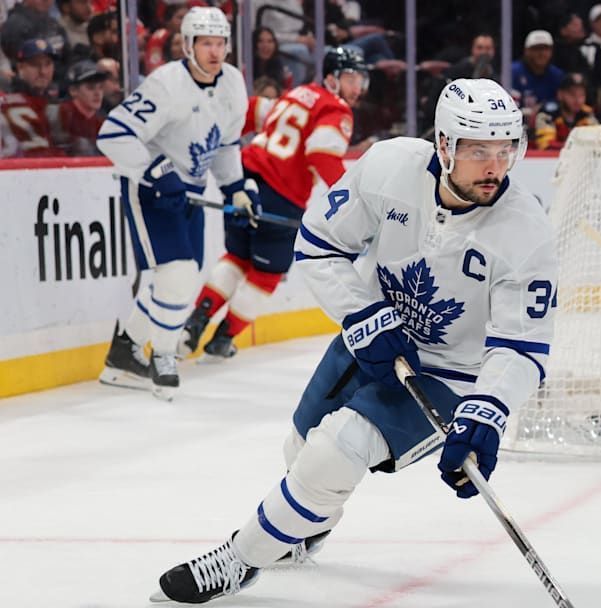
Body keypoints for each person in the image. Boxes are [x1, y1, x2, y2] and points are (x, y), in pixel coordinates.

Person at [151, 77, 557, 603]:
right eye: (479, 150)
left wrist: (487, 412)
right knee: (301, 448)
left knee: (337, 447)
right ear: (444, 144)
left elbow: (521, 346)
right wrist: (364, 314)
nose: (495, 167)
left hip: (450, 373)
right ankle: (304, 528)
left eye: (505, 150)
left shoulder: (525, 230)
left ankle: (238, 560)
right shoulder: (390, 167)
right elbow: (319, 243)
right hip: (373, 334)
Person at [95, 7, 255, 401]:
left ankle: (124, 354)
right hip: (150, 190)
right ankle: (163, 357)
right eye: (205, 43)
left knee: (181, 280)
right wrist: (155, 170)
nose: (214, 52)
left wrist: (236, 187)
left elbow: (226, 145)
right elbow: (112, 134)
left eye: (220, 43)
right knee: (178, 274)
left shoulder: (233, 83)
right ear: (187, 45)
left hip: (191, 192)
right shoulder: (166, 84)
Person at [179, 47, 367, 361]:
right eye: (351, 79)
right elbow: (321, 154)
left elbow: (249, 111)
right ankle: (223, 339)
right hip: (281, 195)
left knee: (237, 257)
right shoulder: (336, 109)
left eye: (360, 80)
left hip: (242, 183)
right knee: (267, 274)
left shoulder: (298, 93)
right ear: (332, 79)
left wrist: (220, 144)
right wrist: (353, 202)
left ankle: (194, 324)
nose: (357, 87)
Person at [0, 38, 62, 158]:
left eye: (48, 64)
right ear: (20, 67)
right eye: (34, 65)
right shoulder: (7, 101)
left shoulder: (56, 101)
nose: (43, 71)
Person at [530, 71, 598, 150]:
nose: (578, 100)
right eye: (572, 94)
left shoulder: (587, 114)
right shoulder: (547, 114)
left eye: (581, 95)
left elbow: (597, 143)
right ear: (560, 94)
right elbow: (547, 146)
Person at [57, 58, 108, 156]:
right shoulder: (61, 114)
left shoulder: (102, 123)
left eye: (101, 87)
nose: (97, 93)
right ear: (73, 91)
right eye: (90, 88)